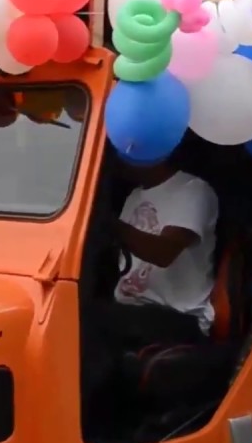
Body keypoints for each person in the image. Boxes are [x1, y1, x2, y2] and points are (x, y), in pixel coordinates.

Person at [80, 156, 219, 404]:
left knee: (90, 321)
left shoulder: (193, 191)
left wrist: (109, 222)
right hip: (133, 310)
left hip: (178, 315)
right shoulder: (134, 196)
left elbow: (163, 252)